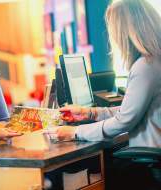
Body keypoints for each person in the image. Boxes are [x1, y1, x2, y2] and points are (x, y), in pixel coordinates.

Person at [56, 0, 161, 189]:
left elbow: (124, 121)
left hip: (152, 161)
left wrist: (76, 132)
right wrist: (91, 113)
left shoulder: (146, 66)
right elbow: (131, 110)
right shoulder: (154, 61)